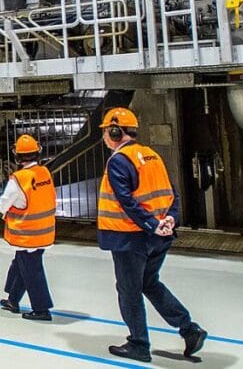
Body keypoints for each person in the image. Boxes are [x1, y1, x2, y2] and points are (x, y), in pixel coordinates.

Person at [97, 107, 207, 362]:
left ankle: (138, 344)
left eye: (105, 131)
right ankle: (189, 329)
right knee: (149, 283)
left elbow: (126, 201)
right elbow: (171, 193)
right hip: (158, 237)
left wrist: (150, 224)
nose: (104, 136)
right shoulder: (151, 155)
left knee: (129, 290)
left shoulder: (119, 160)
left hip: (131, 238)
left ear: (115, 131)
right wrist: (170, 219)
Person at [0, 134, 55, 321]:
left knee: (32, 271)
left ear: (17, 156)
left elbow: (2, 205)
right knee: (22, 265)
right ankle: (13, 299)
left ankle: (41, 309)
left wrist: (8, 210)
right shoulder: (44, 173)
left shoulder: (18, 179)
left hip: (27, 234)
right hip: (44, 231)